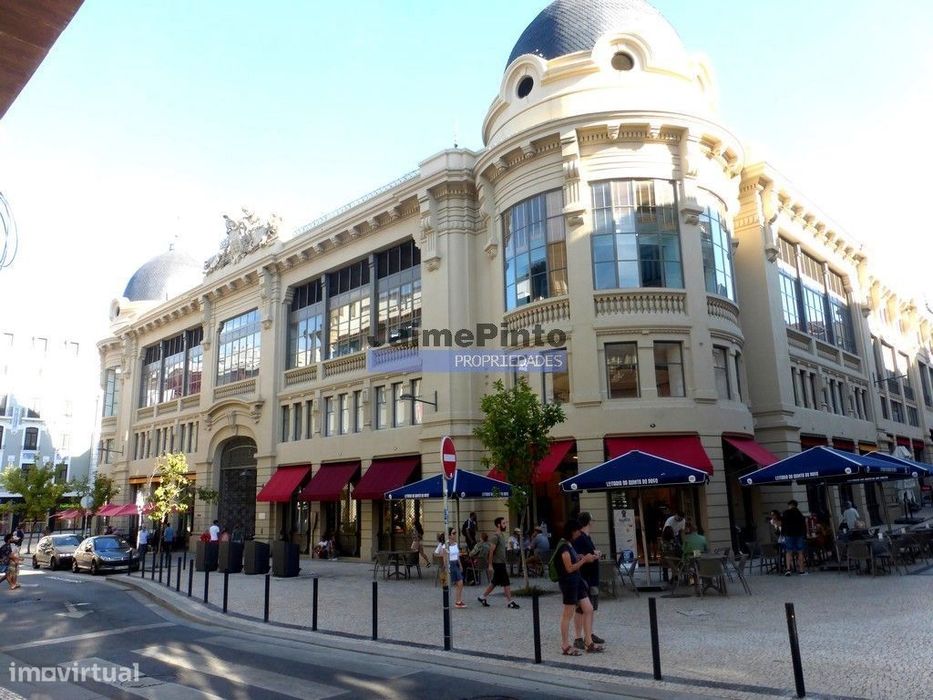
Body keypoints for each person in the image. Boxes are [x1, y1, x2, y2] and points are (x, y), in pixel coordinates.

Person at [556, 519, 603, 656]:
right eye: (577, 530)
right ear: (572, 531)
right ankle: (565, 645)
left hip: (578, 582)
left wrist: (580, 557)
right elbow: (569, 568)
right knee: (568, 614)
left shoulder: (570, 545)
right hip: (569, 583)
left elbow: (573, 560)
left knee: (588, 608)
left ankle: (589, 642)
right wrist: (584, 560)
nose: (579, 533)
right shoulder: (564, 547)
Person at [572, 512, 605, 650]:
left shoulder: (586, 537)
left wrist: (595, 553)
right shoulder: (580, 537)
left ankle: (589, 634)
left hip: (591, 577)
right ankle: (578, 637)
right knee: (581, 609)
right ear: (589, 522)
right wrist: (593, 555)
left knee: (591, 608)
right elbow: (580, 556)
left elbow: (588, 552)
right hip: (585, 577)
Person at [477, 516, 519, 609]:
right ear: (499, 525)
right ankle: (510, 602)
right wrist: (490, 565)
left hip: (501, 562)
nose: (505, 525)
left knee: (495, 582)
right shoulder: (495, 537)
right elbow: (491, 551)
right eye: (504, 523)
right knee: (506, 582)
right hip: (498, 563)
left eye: (505, 523)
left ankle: (482, 597)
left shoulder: (502, 535)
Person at [439, 528, 466, 608]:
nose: (455, 534)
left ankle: (458, 601)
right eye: (453, 533)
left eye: (455, 533)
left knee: (459, 583)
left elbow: (457, 555)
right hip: (450, 564)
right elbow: (444, 557)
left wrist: (460, 564)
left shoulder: (455, 543)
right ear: (449, 535)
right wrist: (447, 567)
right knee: (456, 583)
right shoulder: (445, 545)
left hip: (455, 564)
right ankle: (456, 601)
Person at [781, 500, 808, 576]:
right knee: (800, 552)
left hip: (789, 534)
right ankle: (801, 570)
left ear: (790, 505)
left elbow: (783, 524)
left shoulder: (786, 513)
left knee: (788, 552)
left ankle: (788, 569)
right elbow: (803, 525)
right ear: (796, 505)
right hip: (799, 534)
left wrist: (783, 533)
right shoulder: (799, 514)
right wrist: (804, 535)